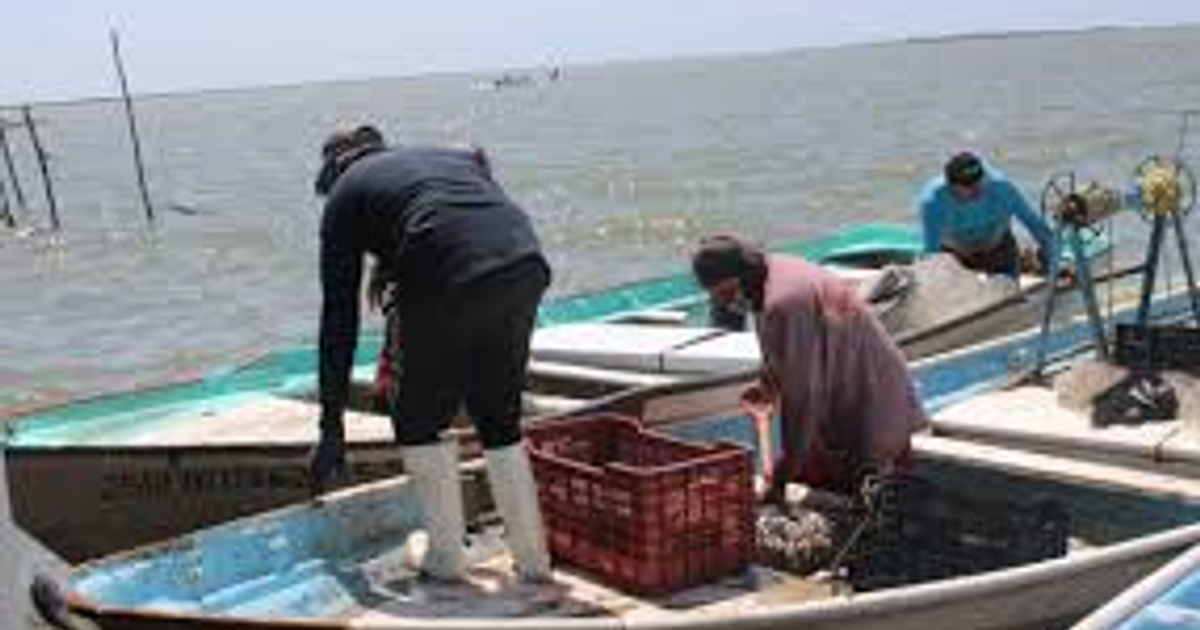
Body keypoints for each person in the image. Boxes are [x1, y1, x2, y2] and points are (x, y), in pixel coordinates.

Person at [309, 123, 552, 583]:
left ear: (334, 170)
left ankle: (445, 556)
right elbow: (467, 209)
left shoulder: (345, 195)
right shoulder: (440, 157)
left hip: (446, 273)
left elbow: (338, 319)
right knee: (497, 414)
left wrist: (331, 427)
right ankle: (534, 559)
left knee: (417, 418)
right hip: (523, 262)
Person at [691, 235, 927, 499]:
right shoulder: (773, 270)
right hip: (858, 380)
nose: (724, 304)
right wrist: (769, 381)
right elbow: (780, 342)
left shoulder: (785, 301)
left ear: (740, 275)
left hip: (871, 396)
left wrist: (787, 469)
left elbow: (805, 394)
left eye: (724, 293)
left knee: (872, 492)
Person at [917, 151, 1056, 277]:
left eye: (978, 182)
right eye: (968, 186)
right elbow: (932, 252)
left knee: (1010, 296)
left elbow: (1034, 224)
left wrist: (1052, 261)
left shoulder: (1001, 188)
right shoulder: (933, 202)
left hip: (997, 247)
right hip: (956, 253)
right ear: (950, 185)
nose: (976, 189)